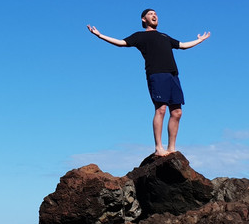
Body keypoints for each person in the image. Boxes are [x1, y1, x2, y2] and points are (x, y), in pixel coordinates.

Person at [87, 9, 210, 157]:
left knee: (177, 112)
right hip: (156, 75)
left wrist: (200, 40)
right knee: (161, 109)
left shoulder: (164, 36)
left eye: (156, 14)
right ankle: (159, 147)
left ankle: (171, 148)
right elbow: (121, 43)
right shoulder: (140, 36)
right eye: (151, 14)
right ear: (143, 19)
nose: (154, 15)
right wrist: (100, 35)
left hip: (173, 75)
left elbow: (182, 45)